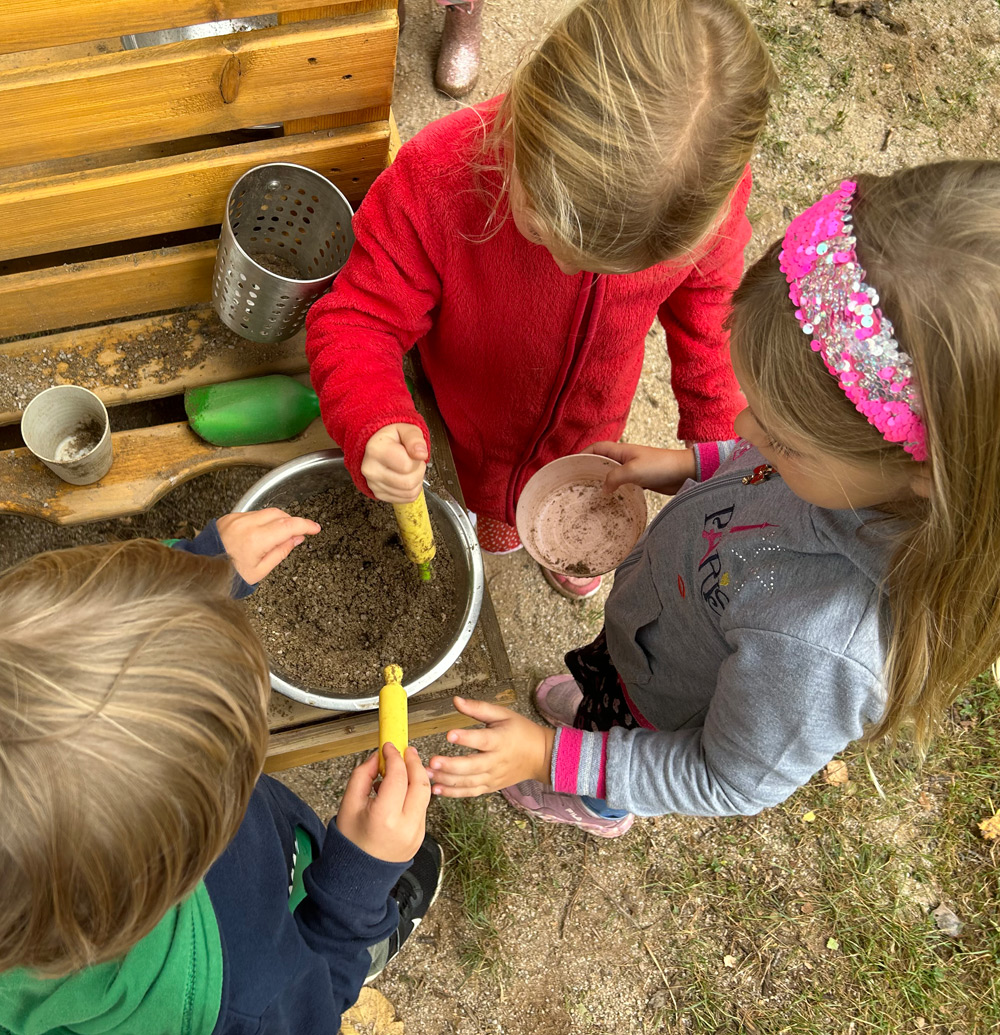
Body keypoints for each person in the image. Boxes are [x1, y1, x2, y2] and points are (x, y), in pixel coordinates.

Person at [421, 160, 1000, 837]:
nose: (747, 431)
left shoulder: (821, 648)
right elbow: (759, 463)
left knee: (617, 744)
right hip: (654, 630)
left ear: (926, 471)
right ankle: (597, 707)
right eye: (756, 409)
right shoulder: (859, 468)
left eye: (781, 440)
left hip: (669, 702)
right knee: (609, 687)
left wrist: (551, 756)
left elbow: (720, 775)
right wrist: (688, 464)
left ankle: (596, 802)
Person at [306, 0, 777, 600]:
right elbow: (356, 318)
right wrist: (372, 416)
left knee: (573, 499)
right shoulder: (439, 176)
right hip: (469, 419)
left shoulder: (701, 203)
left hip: (592, 422)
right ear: (526, 124)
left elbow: (711, 321)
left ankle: (557, 537)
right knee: (493, 503)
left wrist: (718, 455)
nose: (562, 265)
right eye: (545, 234)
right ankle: (501, 521)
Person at [0, 509, 441, 1033]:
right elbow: (307, 1014)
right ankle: (363, 939)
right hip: (284, 951)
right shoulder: (234, 992)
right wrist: (354, 888)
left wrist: (194, 573)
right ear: (180, 867)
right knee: (319, 954)